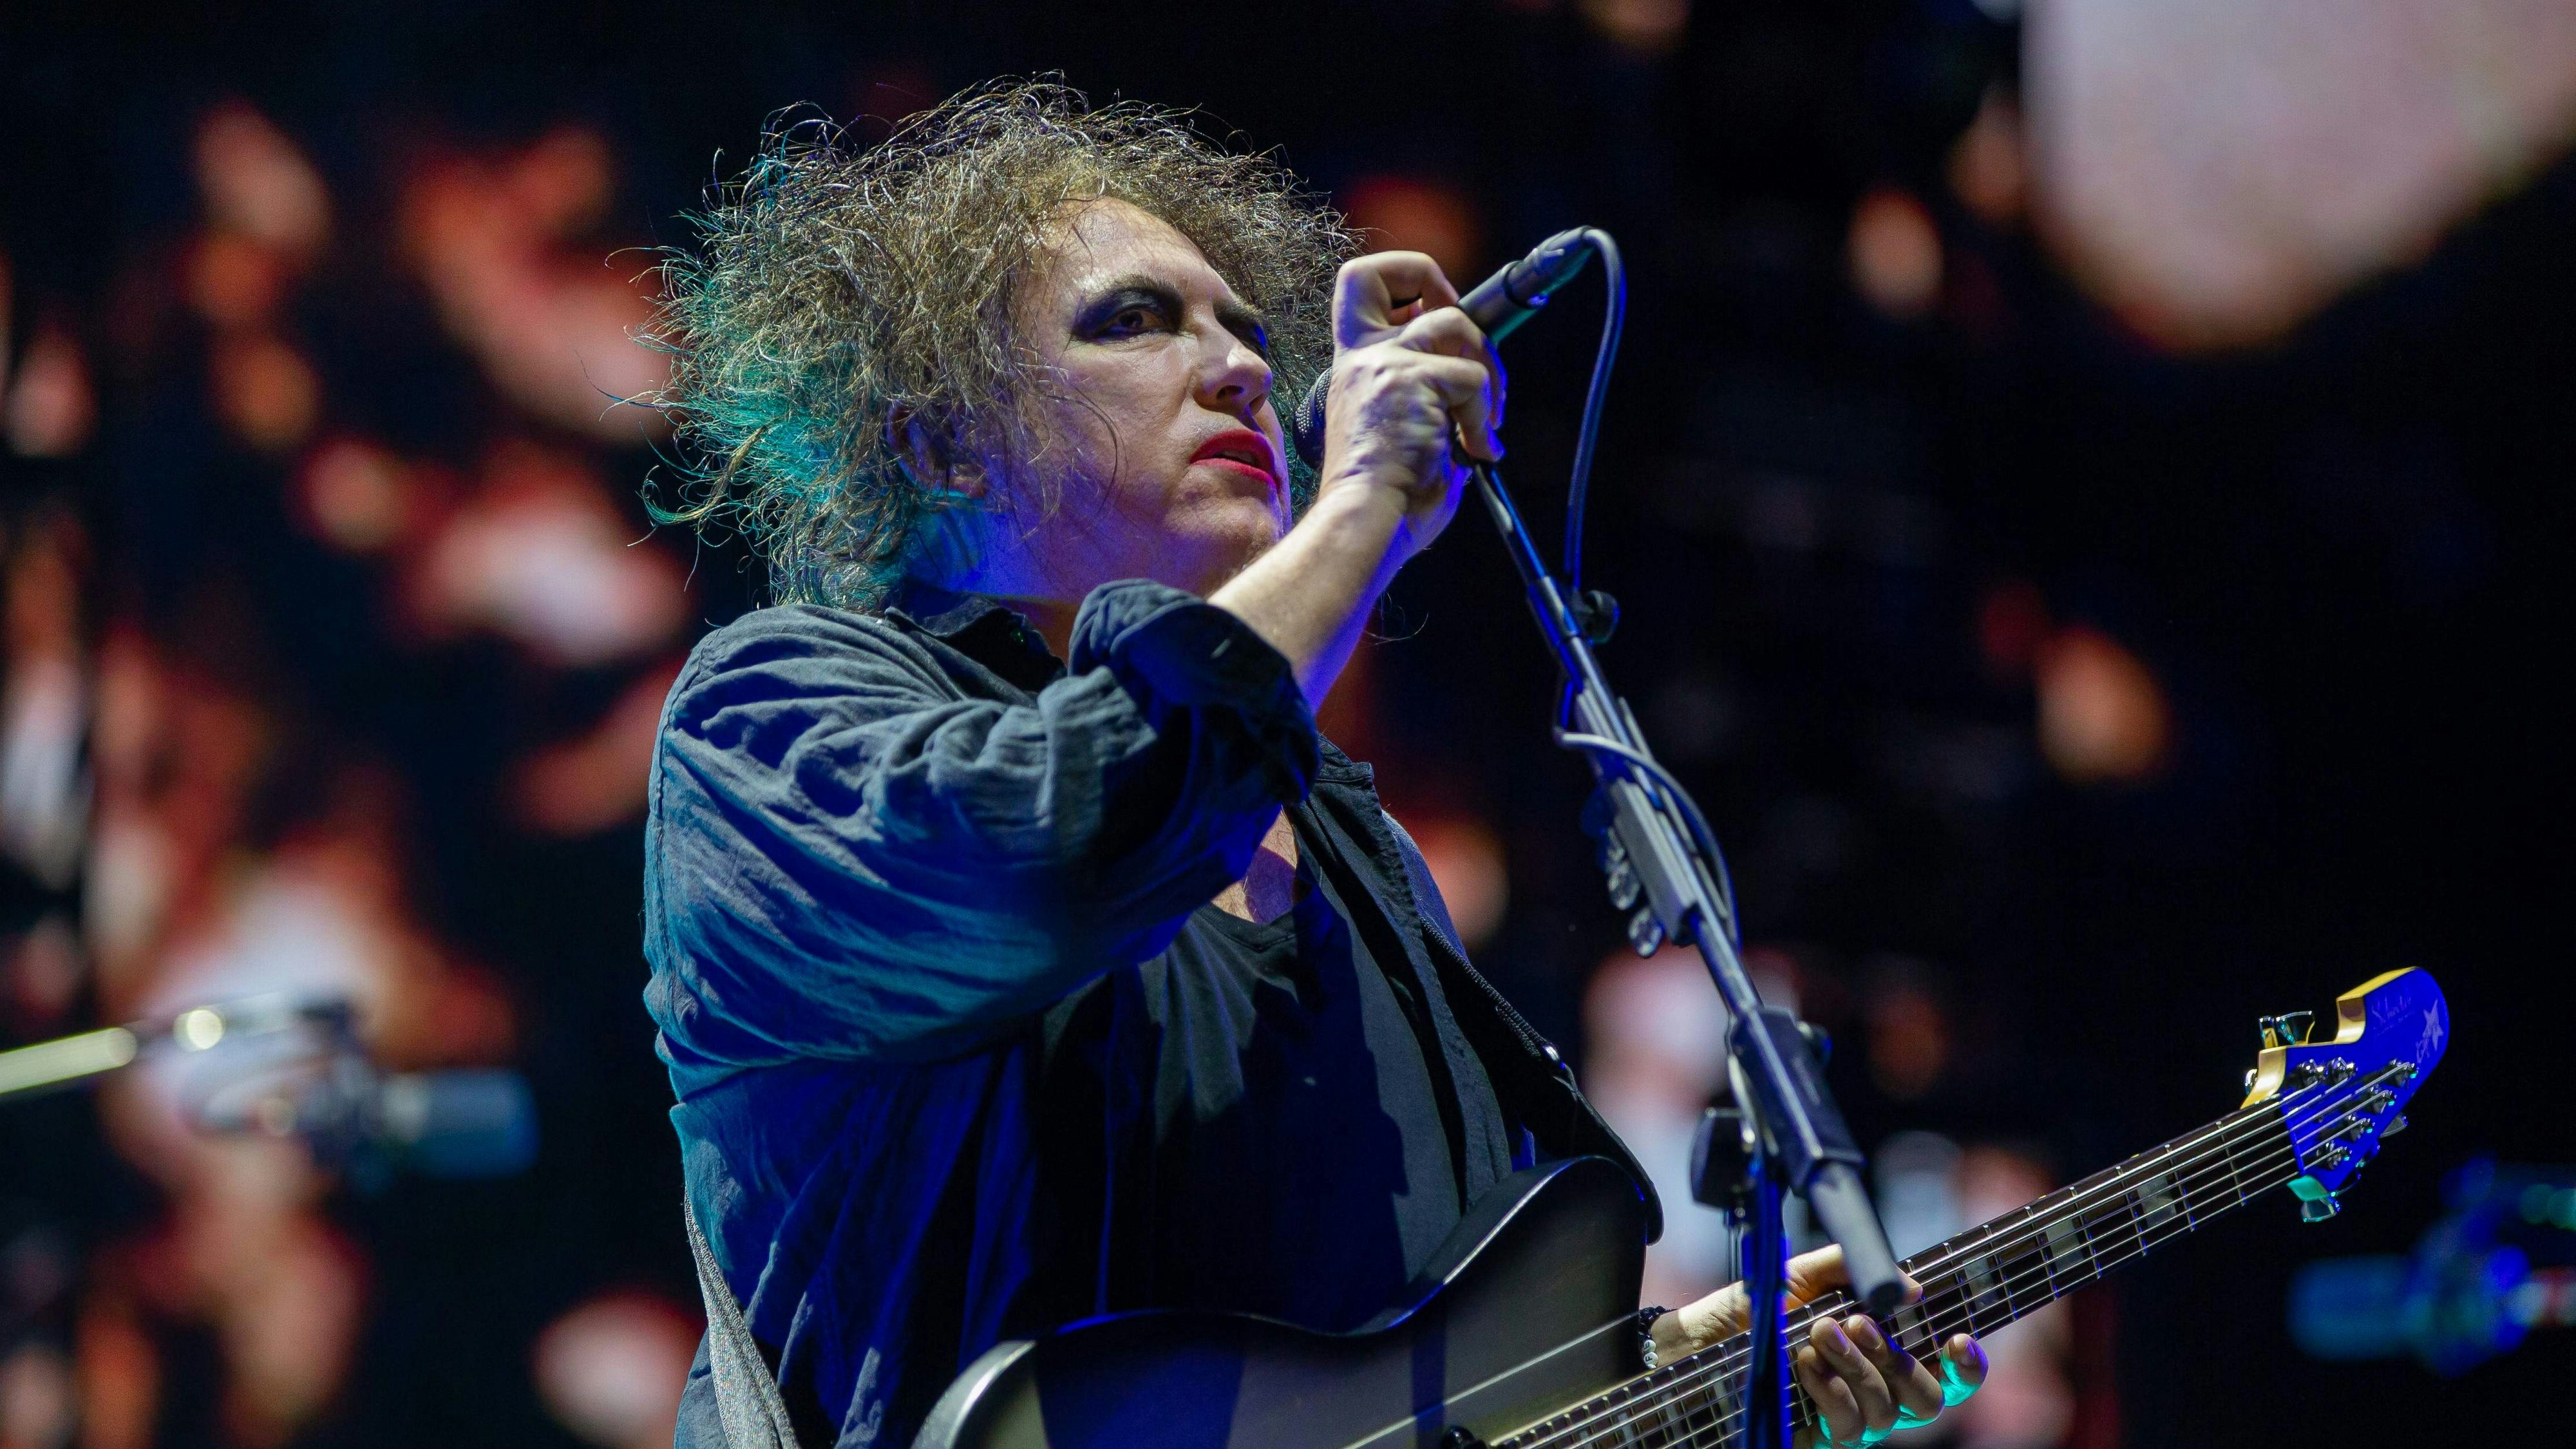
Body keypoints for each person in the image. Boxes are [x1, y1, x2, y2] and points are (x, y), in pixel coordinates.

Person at [641, 81, 1985, 1449]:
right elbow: (1048, 857)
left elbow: (1388, 1367)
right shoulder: (766, 721)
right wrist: (1364, 509)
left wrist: (1678, 1376)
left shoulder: (1361, 859)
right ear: (938, 444)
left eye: (1248, 331)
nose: (1241, 369)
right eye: (1135, 319)